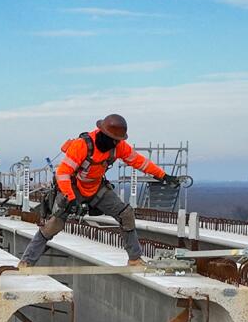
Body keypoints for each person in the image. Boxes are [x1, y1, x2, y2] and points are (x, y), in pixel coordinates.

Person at [19, 114, 178, 267]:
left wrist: (163, 176)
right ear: (104, 135)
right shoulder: (82, 145)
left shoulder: (118, 146)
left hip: (97, 188)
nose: (117, 144)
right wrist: (71, 197)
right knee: (54, 225)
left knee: (126, 214)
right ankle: (26, 262)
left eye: (119, 141)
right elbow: (63, 173)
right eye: (115, 140)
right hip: (74, 187)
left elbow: (139, 162)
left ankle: (134, 259)